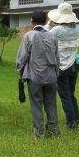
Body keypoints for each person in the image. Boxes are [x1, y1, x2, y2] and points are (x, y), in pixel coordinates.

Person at [16, 10, 60, 140]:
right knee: (51, 103)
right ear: (46, 21)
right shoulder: (52, 36)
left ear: (32, 21)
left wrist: (20, 69)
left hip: (35, 76)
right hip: (51, 75)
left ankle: (39, 131)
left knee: (36, 103)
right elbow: (57, 57)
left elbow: (22, 56)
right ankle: (53, 129)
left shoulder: (29, 36)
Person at [47, 2, 79, 130]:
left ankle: (71, 123)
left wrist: (49, 22)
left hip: (61, 66)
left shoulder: (57, 29)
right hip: (74, 64)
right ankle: (76, 120)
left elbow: (45, 34)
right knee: (71, 94)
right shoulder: (77, 28)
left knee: (65, 95)